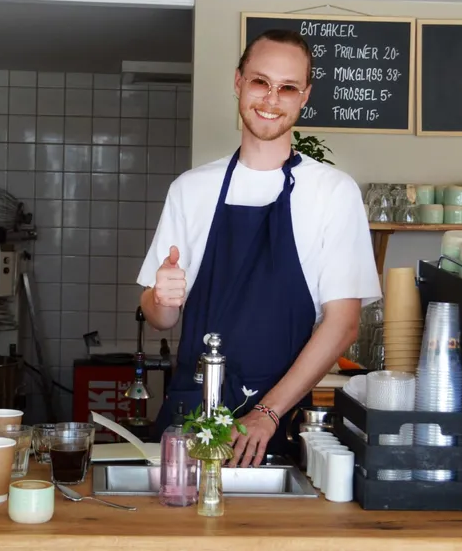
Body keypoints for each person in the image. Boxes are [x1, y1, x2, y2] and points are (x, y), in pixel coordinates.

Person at [137, 28, 381, 467]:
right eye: (260, 82)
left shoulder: (332, 193)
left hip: (277, 426)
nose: (271, 99)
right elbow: (160, 318)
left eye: (287, 88)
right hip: (192, 417)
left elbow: (343, 324)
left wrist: (266, 413)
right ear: (238, 82)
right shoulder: (190, 190)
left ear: (305, 96)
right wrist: (161, 297)